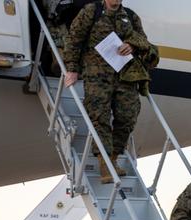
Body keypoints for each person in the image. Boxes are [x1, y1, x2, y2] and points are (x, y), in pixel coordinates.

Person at [64, 0, 159, 184]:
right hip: (97, 76)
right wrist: (72, 68)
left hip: (125, 76)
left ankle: (114, 157)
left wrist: (132, 45)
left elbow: (143, 41)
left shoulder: (130, 17)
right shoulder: (91, 12)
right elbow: (74, 39)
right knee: (99, 117)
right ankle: (105, 163)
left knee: (128, 117)